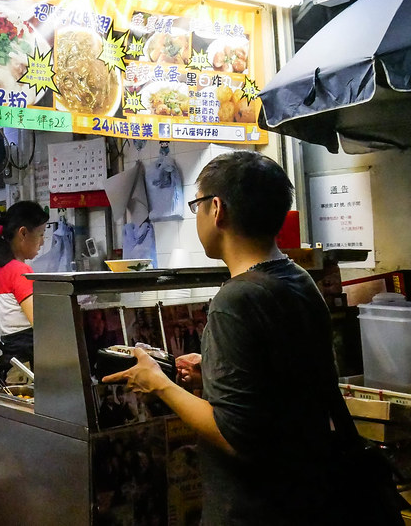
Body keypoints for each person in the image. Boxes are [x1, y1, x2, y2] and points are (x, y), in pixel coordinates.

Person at [102, 150, 344, 524]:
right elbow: (284, 385)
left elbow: (236, 436)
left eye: (197, 205)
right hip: (311, 496)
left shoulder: (236, 298)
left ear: (217, 209)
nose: (197, 215)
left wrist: (157, 383)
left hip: (254, 509)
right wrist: (212, 374)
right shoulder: (299, 278)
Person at [0, 201, 48, 370]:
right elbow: (40, 322)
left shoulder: (0, 269)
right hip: (27, 361)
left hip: (13, 361)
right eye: (41, 234)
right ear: (23, 233)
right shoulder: (20, 271)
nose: (42, 242)